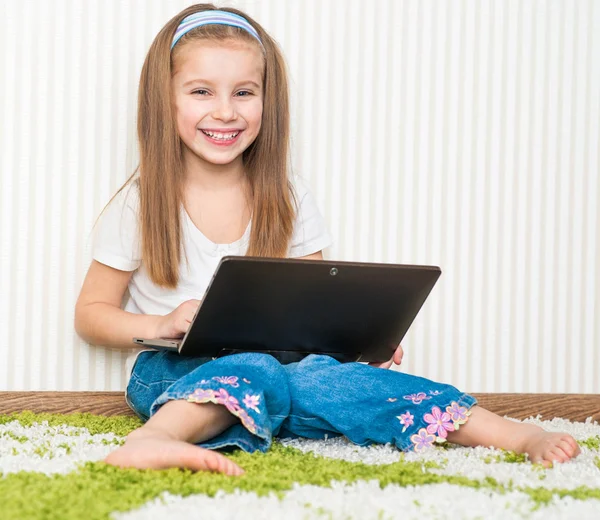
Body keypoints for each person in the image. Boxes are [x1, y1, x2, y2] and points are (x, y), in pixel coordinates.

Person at [74, 4, 580, 477]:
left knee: (332, 381)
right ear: (165, 99)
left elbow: (315, 304)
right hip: (169, 371)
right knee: (253, 369)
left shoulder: (288, 195)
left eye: (244, 92)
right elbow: (91, 314)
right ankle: (154, 438)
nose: (225, 111)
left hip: (283, 369)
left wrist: (356, 342)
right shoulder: (142, 201)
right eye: (201, 91)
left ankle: (512, 433)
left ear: (268, 102)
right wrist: (161, 324)